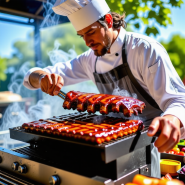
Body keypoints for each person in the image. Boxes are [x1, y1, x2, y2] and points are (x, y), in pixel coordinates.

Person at [23, 0, 185, 177]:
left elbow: (178, 99)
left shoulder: (143, 49)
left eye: (91, 32)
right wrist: (42, 78)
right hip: (106, 147)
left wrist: (172, 117)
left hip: (145, 149)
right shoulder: (89, 60)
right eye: (81, 35)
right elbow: (32, 76)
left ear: (108, 20)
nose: (87, 42)